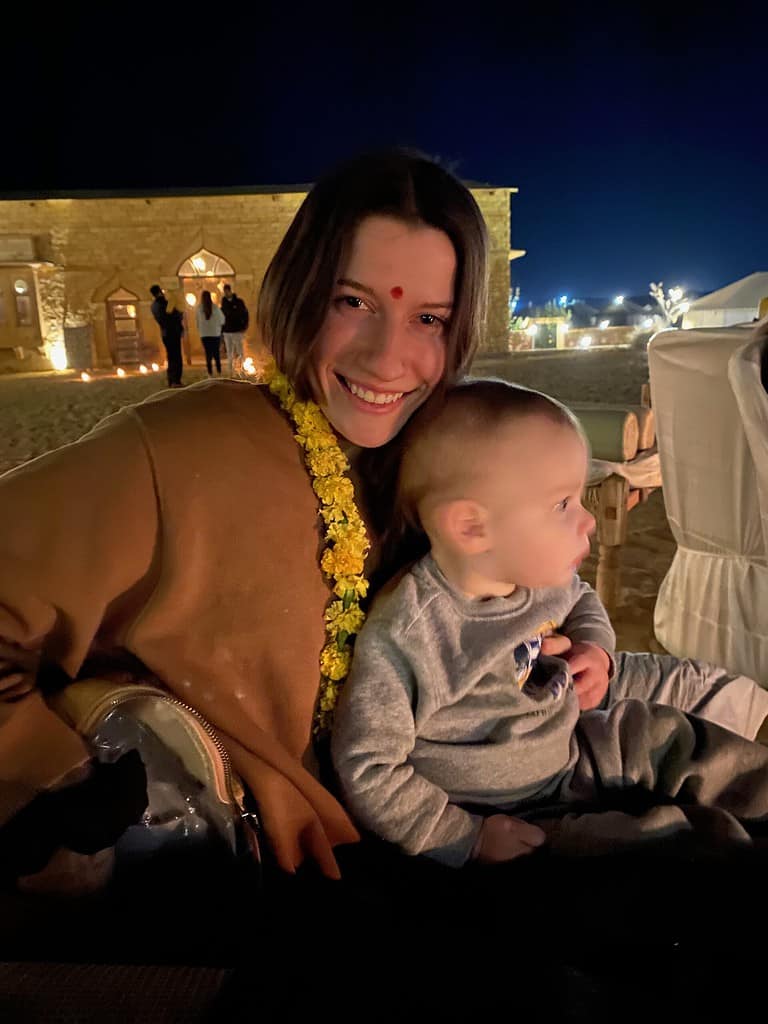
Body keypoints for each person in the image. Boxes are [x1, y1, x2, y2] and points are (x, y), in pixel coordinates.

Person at [0, 148, 763, 905]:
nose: (388, 356)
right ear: (300, 292)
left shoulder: (432, 437)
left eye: (427, 318)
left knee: (722, 711)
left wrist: (588, 641)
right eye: (352, 302)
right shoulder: (177, 451)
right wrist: (60, 775)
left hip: (541, 712)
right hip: (392, 836)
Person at [332, 379, 768, 867]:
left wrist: (596, 649)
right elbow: (368, 767)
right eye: (563, 504)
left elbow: (581, 599)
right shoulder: (412, 635)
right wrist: (463, 836)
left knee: (668, 735)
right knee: (659, 844)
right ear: (471, 527)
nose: (587, 522)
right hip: (511, 814)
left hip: (577, 749)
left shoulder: (531, 572)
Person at [149, 283, 184, 388]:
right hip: (172, 332)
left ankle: (171, 379)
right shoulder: (164, 304)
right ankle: (176, 380)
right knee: (176, 357)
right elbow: (173, 316)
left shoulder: (154, 306)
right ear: (160, 292)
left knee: (171, 356)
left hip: (165, 333)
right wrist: (179, 314)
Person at [220, 283, 249, 376]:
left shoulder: (239, 302)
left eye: (227, 291)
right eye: (225, 292)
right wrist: (222, 330)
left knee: (240, 351)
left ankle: (242, 370)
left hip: (237, 330)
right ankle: (231, 371)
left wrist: (244, 326)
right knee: (229, 351)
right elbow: (222, 317)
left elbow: (245, 314)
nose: (226, 293)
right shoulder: (223, 303)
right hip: (227, 331)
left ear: (230, 291)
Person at [195, 289, 225, 376]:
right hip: (215, 334)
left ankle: (210, 373)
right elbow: (222, 320)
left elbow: (197, 322)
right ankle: (219, 372)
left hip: (204, 335)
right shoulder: (215, 308)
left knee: (208, 354)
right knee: (216, 353)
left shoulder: (199, 309)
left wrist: (201, 329)